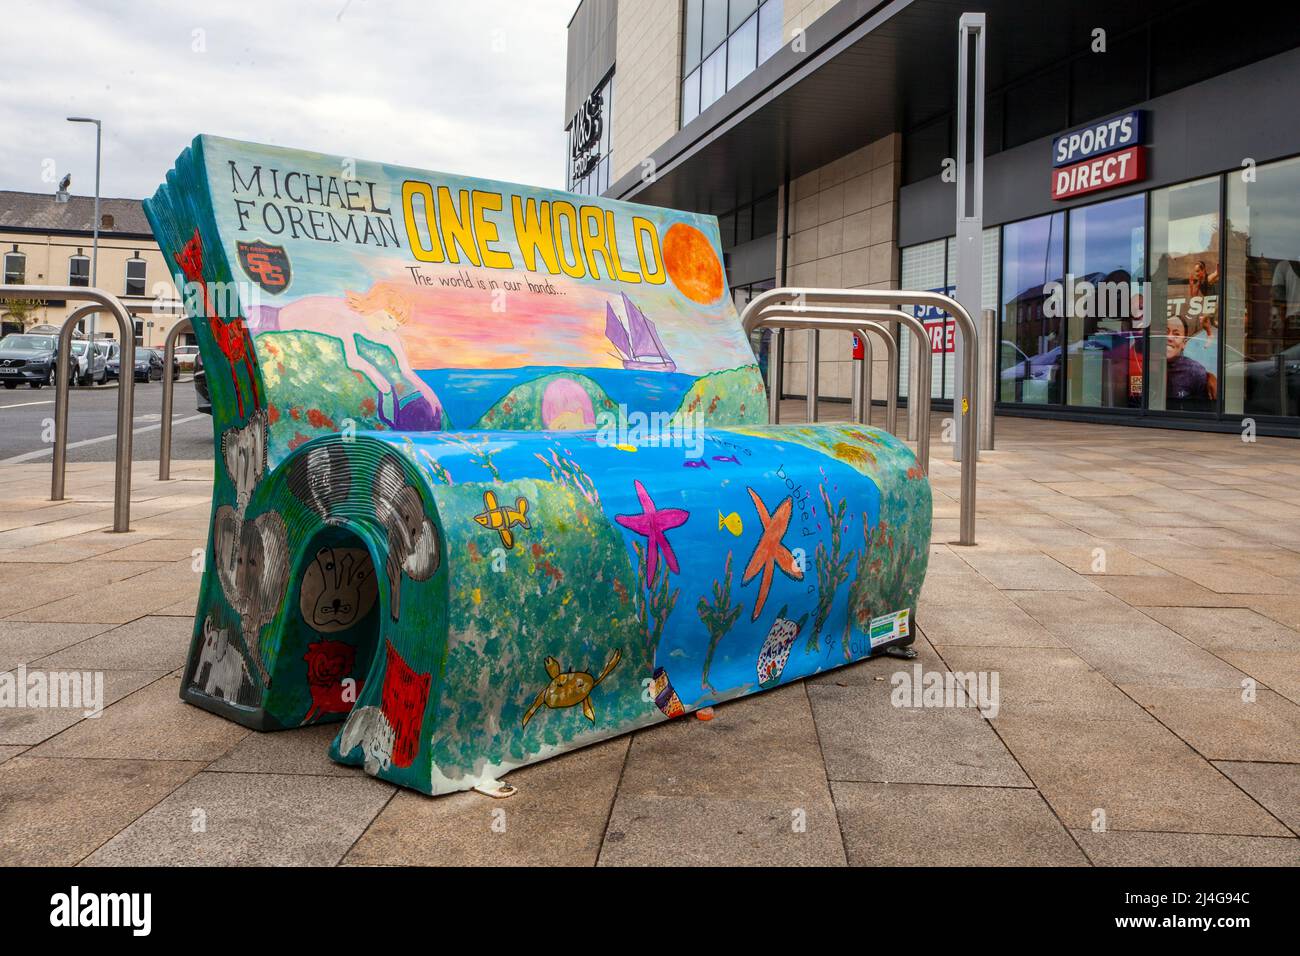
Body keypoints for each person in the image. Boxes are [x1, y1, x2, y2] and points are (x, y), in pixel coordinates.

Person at [1165, 313, 1208, 403]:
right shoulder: (1143, 364)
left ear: (1184, 343)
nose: (1169, 337)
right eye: (1166, 332)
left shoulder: (1196, 372)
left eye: (1176, 334)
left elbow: (1203, 410)